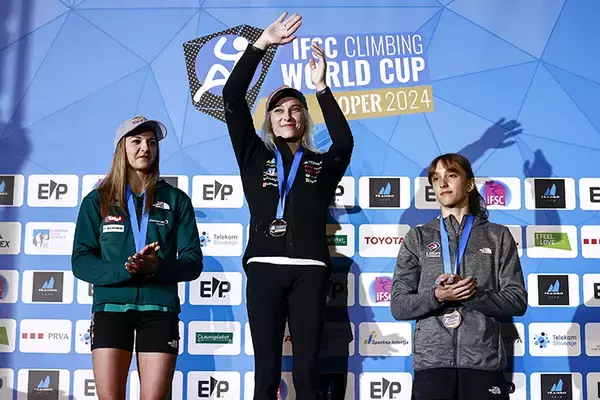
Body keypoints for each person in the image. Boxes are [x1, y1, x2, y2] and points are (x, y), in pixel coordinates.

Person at [222, 12, 354, 400]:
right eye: (278, 110)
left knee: (307, 373)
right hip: (264, 267)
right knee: (266, 373)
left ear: (304, 118)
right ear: (269, 119)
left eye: (295, 109)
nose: (287, 116)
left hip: (310, 270)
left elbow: (344, 143)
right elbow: (232, 98)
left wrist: (322, 88)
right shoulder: (253, 154)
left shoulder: (321, 164)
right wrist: (262, 45)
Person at [71, 116, 203, 400]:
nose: (146, 148)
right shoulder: (97, 201)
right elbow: (81, 261)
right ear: (122, 148)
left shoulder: (176, 200)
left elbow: (193, 262)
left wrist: (156, 267)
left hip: (160, 310)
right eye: (137, 141)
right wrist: (126, 269)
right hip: (111, 309)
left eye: (152, 142)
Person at [390, 153, 527, 400]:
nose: (442, 183)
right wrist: (436, 296)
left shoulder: (497, 236)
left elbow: (517, 300)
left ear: (469, 184)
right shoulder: (418, 237)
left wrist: (473, 295)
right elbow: (399, 305)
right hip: (432, 364)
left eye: (451, 175)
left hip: (483, 362)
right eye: (436, 179)